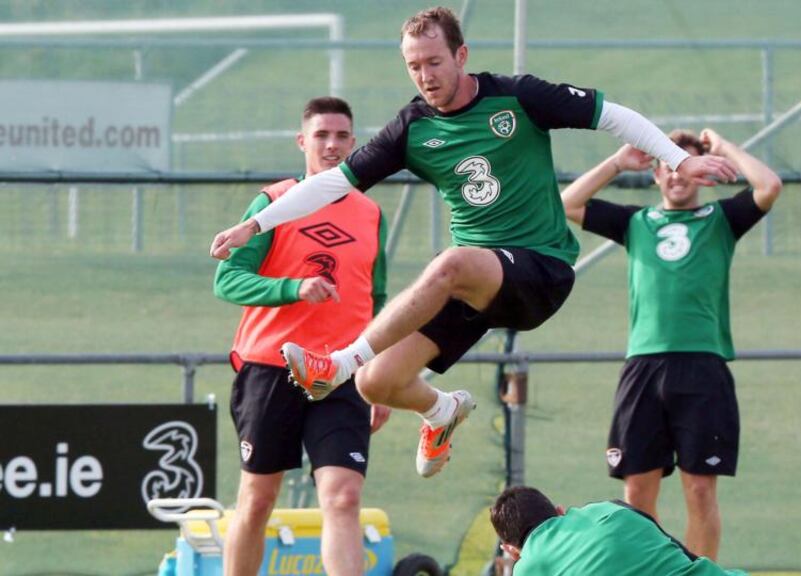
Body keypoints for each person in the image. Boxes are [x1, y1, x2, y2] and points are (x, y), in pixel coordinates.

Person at [209, 7, 738, 480]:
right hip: (474, 285)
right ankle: (440, 412)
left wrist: (678, 157)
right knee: (378, 382)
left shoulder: (517, 96)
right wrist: (254, 226)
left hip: (540, 270)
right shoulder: (412, 127)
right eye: (414, 66)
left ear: (460, 55)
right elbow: (333, 184)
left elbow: (612, 115)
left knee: (449, 264)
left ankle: (336, 364)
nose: (425, 76)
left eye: (434, 62)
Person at [560, 128, 781, 559]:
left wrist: (723, 148)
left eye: (686, 164)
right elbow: (567, 203)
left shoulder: (720, 221)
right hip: (643, 367)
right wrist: (616, 163)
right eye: (668, 164)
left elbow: (769, 186)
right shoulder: (635, 223)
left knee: (699, 489)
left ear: (701, 174)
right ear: (655, 175)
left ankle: (701, 573)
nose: (676, 174)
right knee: (636, 494)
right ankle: (647, 570)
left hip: (703, 367)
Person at [213, 96, 391, 576]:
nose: (332, 145)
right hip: (271, 370)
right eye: (321, 136)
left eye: (341, 137)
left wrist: (380, 374)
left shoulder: (370, 214)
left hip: (341, 375)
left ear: (354, 144)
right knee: (257, 498)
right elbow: (228, 279)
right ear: (302, 141)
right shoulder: (272, 204)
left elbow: (376, 299)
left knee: (343, 495)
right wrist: (294, 288)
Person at [489, 485, 747, 576]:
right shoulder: (607, 509)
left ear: (512, 551)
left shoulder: (527, 567)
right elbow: (681, 553)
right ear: (559, 511)